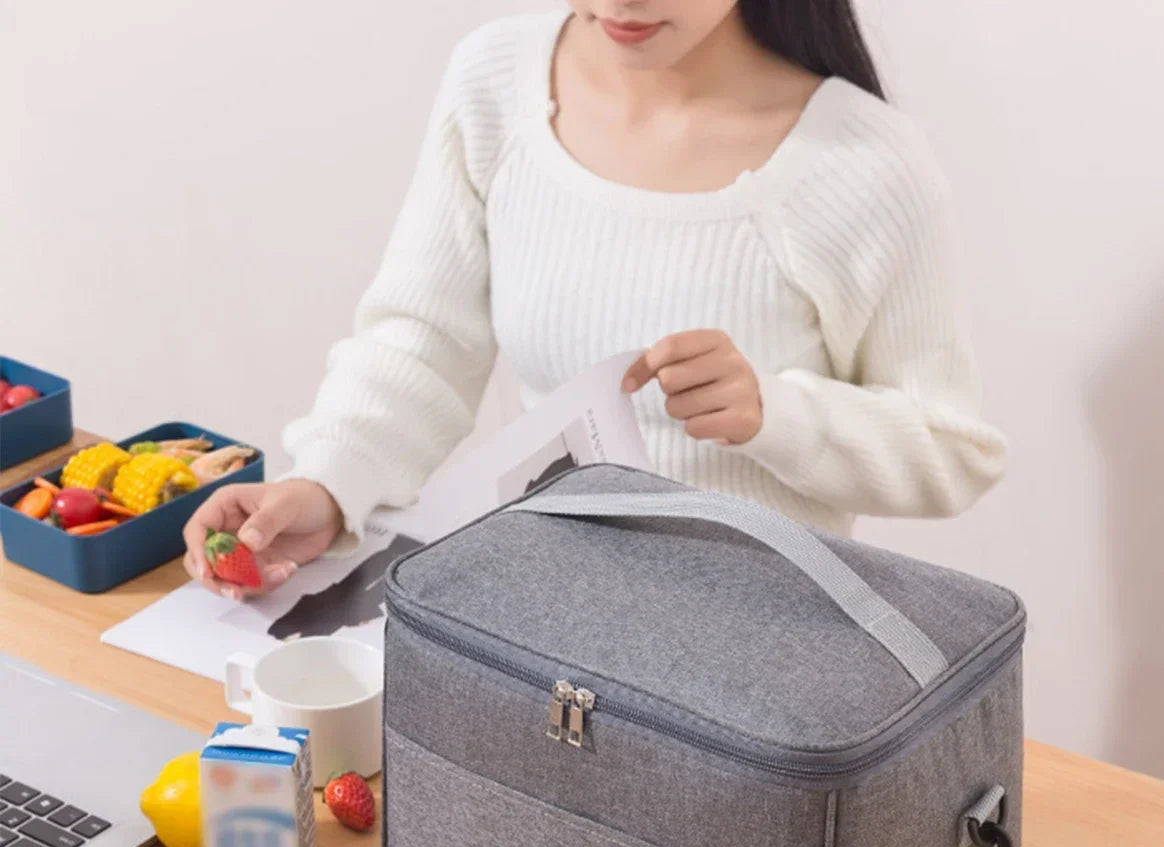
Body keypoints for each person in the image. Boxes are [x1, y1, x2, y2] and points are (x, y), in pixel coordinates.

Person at [184, 1, 1007, 598]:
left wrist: (776, 415)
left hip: (753, 671)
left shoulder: (862, 165)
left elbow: (954, 451)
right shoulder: (496, 83)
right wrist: (328, 485)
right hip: (548, 622)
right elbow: (423, 344)